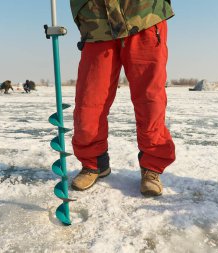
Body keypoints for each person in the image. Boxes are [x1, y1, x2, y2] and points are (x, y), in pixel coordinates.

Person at [70, 0, 176, 196]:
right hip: (95, 21)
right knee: (89, 102)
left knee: (150, 100)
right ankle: (93, 163)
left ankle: (151, 167)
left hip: (143, 14)